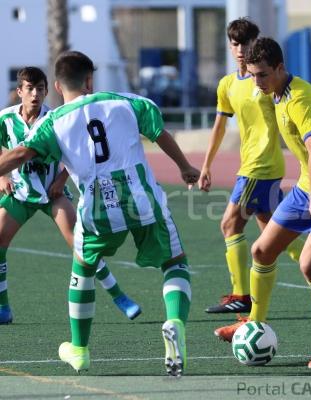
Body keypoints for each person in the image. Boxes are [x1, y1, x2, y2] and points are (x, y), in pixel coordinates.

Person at [0, 52, 199, 376]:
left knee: (83, 268)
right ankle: (174, 321)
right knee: (174, 263)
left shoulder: (54, 121)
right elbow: (158, 132)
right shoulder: (127, 102)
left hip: (97, 207)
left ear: (57, 86)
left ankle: (79, 350)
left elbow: (21, 153)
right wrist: (185, 167)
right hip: (142, 200)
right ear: (90, 80)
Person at [214, 37, 311, 368]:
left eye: (262, 75)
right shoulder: (277, 90)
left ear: (280, 68)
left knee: (310, 265)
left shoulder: (300, 100)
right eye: (252, 75)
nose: (256, 82)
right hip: (306, 187)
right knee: (261, 250)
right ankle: (252, 323)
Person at [201, 18, 311, 314]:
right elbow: (220, 125)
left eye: (248, 42)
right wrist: (206, 164)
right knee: (269, 241)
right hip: (272, 173)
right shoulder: (232, 85)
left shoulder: (279, 86)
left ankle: (241, 295)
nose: (242, 49)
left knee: (230, 224)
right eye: (236, 43)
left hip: (264, 169)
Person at [0, 67, 140, 325]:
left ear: (47, 91)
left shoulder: (56, 119)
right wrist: (2, 176)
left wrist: (61, 178)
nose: (35, 94)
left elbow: (75, 152)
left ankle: (119, 296)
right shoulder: (5, 118)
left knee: (81, 246)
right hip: (19, 192)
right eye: (29, 89)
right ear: (19, 91)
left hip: (53, 194)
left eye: (40, 89)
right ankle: (3, 307)